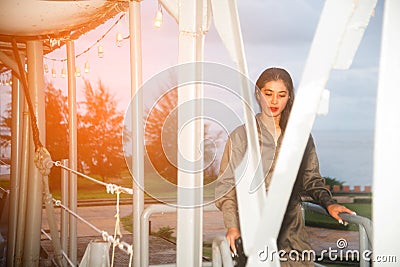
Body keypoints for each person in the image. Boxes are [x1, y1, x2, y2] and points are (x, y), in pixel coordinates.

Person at [215, 67, 354, 266]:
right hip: (252, 235)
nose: (273, 101)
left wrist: (329, 203)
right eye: (268, 93)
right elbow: (227, 189)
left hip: (292, 235)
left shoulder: (300, 137)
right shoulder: (241, 137)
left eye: (281, 95)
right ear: (257, 93)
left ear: (289, 97)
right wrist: (232, 227)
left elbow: (311, 179)